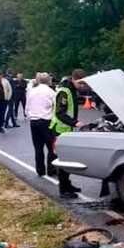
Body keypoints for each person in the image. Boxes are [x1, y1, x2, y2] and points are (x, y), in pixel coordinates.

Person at [49, 69, 86, 199]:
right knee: (63, 160)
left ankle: (67, 184)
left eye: (83, 84)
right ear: (73, 79)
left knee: (68, 159)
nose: (82, 86)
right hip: (60, 129)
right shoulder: (64, 91)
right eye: (80, 83)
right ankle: (63, 190)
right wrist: (74, 122)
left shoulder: (72, 90)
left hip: (66, 129)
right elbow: (60, 113)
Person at [26, 73, 56, 177]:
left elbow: (27, 107)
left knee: (38, 148)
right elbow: (55, 107)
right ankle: (51, 169)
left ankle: (40, 170)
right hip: (46, 121)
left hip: (34, 121)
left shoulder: (31, 91)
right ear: (48, 81)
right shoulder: (51, 92)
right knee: (51, 147)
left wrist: (30, 116)